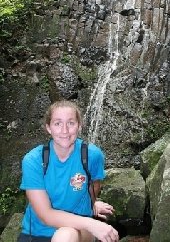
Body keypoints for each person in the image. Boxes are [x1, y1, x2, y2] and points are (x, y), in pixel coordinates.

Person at [18, 100, 118, 242]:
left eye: (71, 123)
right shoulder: (33, 160)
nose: (64, 130)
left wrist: (92, 205)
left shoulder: (92, 155)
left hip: (78, 231)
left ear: (79, 126)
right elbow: (46, 215)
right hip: (37, 232)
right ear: (48, 128)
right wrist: (94, 224)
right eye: (57, 123)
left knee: (66, 235)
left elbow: (93, 186)